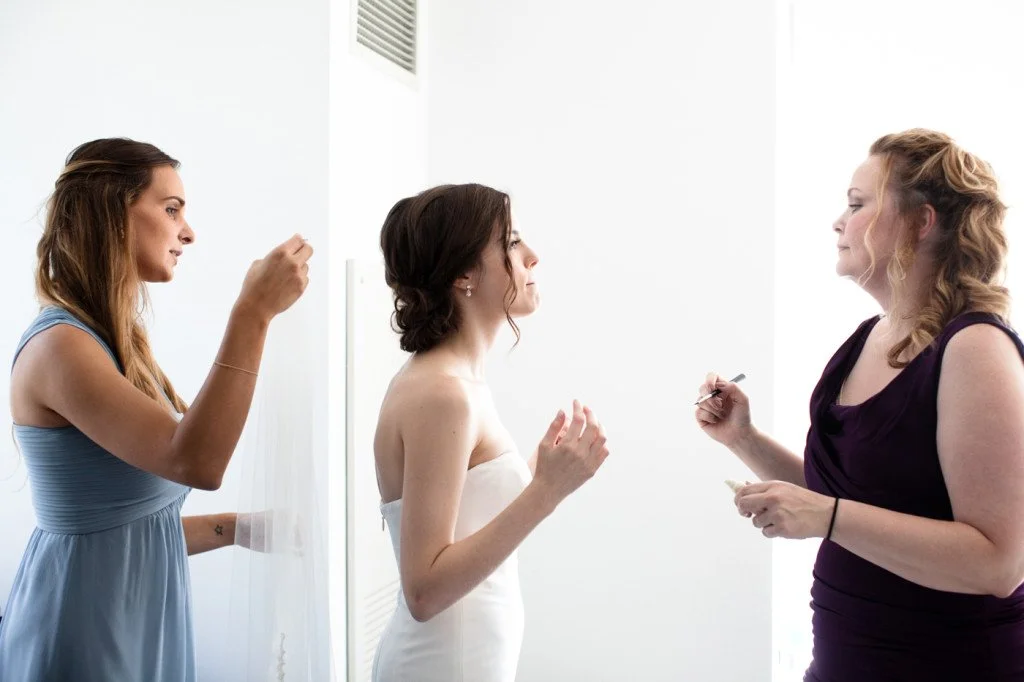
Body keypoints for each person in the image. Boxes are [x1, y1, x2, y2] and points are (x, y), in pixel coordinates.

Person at [697, 129, 1024, 681]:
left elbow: (998, 562)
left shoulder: (974, 349)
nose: (838, 222)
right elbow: (849, 502)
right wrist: (743, 439)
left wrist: (827, 518)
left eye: (856, 204)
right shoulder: (868, 337)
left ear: (922, 222)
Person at [0, 138, 313, 682]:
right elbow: (195, 461)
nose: (187, 231)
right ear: (111, 214)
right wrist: (253, 314)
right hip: (83, 631)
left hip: (130, 623)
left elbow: (123, 529)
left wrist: (236, 529)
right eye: (171, 210)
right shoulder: (61, 348)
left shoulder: (113, 345)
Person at [371, 183, 610, 682]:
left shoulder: (458, 383)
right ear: (463, 273)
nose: (532, 256)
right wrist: (546, 491)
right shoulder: (443, 392)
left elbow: (465, 522)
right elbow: (424, 591)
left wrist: (546, 477)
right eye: (512, 241)